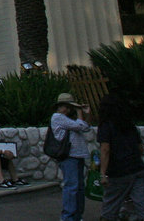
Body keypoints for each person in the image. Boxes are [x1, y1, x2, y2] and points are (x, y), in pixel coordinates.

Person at [97, 94, 144, 221]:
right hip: (136, 168)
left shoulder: (105, 126)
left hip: (118, 171)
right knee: (142, 204)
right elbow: (140, 148)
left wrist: (103, 174)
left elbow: (105, 150)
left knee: (110, 207)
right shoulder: (129, 124)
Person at [51, 92, 91, 221]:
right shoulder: (57, 117)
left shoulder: (67, 119)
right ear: (63, 106)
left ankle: (77, 215)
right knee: (72, 186)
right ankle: (68, 217)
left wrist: (86, 114)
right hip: (69, 156)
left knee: (79, 187)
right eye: (69, 107)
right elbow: (81, 126)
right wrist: (80, 112)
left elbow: (85, 127)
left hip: (77, 155)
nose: (70, 110)